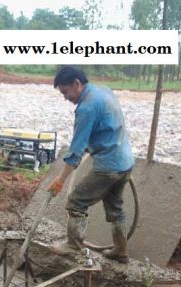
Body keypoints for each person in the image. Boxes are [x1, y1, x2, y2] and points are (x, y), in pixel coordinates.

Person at [47, 65, 134, 264]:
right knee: (116, 207)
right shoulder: (105, 91)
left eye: (65, 92)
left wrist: (61, 180)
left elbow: (75, 150)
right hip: (125, 162)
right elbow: (107, 126)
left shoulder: (86, 108)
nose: (65, 98)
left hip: (108, 166)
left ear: (76, 84)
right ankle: (121, 251)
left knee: (76, 200)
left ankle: (73, 245)